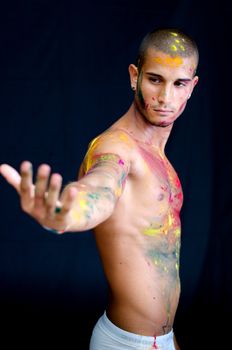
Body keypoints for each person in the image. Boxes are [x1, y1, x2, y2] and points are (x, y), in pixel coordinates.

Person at [0, 27, 199, 349]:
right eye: (155, 79)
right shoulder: (117, 148)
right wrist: (65, 214)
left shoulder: (157, 155)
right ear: (135, 76)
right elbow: (101, 189)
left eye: (178, 84)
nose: (165, 97)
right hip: (125, 344)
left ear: (192, 87)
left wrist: (169, 340)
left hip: (160, 341)